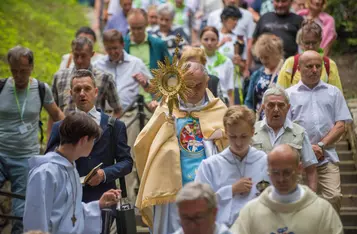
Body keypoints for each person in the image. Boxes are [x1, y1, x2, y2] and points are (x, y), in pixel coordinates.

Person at [134, 62, 229, 234]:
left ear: (207, 81)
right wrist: (165, 128)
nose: (192, 91)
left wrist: (218, 136)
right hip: (172, 185)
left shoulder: (218, 109)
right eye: (188, 86)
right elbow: (144, 142)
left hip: (209, 183)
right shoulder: (167, 107)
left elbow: (230, 145)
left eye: (198, 85)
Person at [0, 46, 64, 234]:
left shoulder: (41, 89)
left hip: (26, 158)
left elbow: (57, 114)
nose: (19, 75)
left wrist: (71, 136)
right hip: (1, 154)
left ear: (31, 68)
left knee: (21, 212)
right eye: (14, 71)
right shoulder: (2, 87)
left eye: (23, 71)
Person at [23, 112, 122, 234]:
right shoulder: (45, 173)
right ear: (84, 140)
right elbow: (36, 223)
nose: (93, 145)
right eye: (93, 140)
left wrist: (98, 204)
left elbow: (71, 213)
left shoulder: (70, 167)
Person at [46, 69, 133, 202]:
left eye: (87, 88)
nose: (82, 94)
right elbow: (50, 160)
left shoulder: (114, 126)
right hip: (68, 197)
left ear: (96, 92)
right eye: (77, 89)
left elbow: (126, 162)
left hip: (104, 197)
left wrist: (104, 174)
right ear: (71, 93)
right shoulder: (59, 127)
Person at [286, 50, 352, 213]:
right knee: (300, 201)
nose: (315, 70)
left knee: (334, 196)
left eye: (318, 66)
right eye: (309, 66)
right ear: (300, 68)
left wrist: (320, 146)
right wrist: (307, 149)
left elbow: (341, 125)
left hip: (326, 156)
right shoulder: (288, 95)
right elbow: (285, 127)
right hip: (298, 158)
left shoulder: (333, 92)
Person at [93, 29, 152, 202]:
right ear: (105, 47)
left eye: (116, 48)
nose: (113, 52)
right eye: (109, 48)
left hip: (129, 116)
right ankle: (108, 200)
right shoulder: (98, 65)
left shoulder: (135, 63)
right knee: (105, 158)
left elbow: (152, 88)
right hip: (104, 117)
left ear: (123, 45)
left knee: (127, 157)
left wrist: (144, 82)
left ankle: (128, 202)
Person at [232, 144, 343, 234]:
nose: (281, 179)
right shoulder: (251, 211)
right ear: (268, 171)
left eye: (287, 172)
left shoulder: (322, 210)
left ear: (299, 169)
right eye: (275, 172)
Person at [195, 105, 269, 228]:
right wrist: (230, 190)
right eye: (233, 136)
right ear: (226, 132)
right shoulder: (210, 166)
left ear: (252, 131)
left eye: (244, 136)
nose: (238, 143)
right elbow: (198, 204)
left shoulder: (264, 161)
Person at [252, 87, 318, 191]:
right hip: (259, 194)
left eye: (281, 105)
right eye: (271, 105)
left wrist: (311, 197)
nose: (276, 109)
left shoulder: (299, 132)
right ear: (263, 108)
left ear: (288, 108)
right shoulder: (252, 132)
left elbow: (311, 170)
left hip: (292, 196)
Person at [51, 36, 122, 120]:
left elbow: (118, 110)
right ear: (71, 53)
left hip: (95, 130)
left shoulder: (104, 78)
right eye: (76, 56)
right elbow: (53, 112)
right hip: (65, 130)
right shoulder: (60, 77)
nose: (79, 60)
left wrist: (107, 127)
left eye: (83, 56)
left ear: (92, 54)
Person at [277, 20, 343, 91]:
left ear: (320, 40)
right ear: (301, 41)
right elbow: (280, 92)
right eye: (307, 43)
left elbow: (337, 94)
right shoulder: (291, 63)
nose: (311, 47)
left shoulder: (329, 65)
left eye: (314, 43)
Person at [206, 0, 256, 78]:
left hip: (233, 80)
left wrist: (239, 63)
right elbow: (206, 55)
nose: (236, 22)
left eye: (237, 20)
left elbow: (244, 66)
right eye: (233, 19)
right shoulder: (213, 37)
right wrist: (220, 44)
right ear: (224, 19)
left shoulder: (240, 39)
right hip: (213, 78)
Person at [245, 34, 284, 120]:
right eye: (261, 57)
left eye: (266, 57)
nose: (263, 61)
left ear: (276, 53)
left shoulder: (286, 72)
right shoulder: (257, 74)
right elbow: (249, 101)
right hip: (259, 121)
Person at [200, 26, 234, 106]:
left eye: (213, 40)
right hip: (199, 103)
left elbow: (230, 91)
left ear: (218, 41)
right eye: (206, 39)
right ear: (200, 40)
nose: (209, 43)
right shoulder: (195, 61)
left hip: (222, 103)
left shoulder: (226, 62)